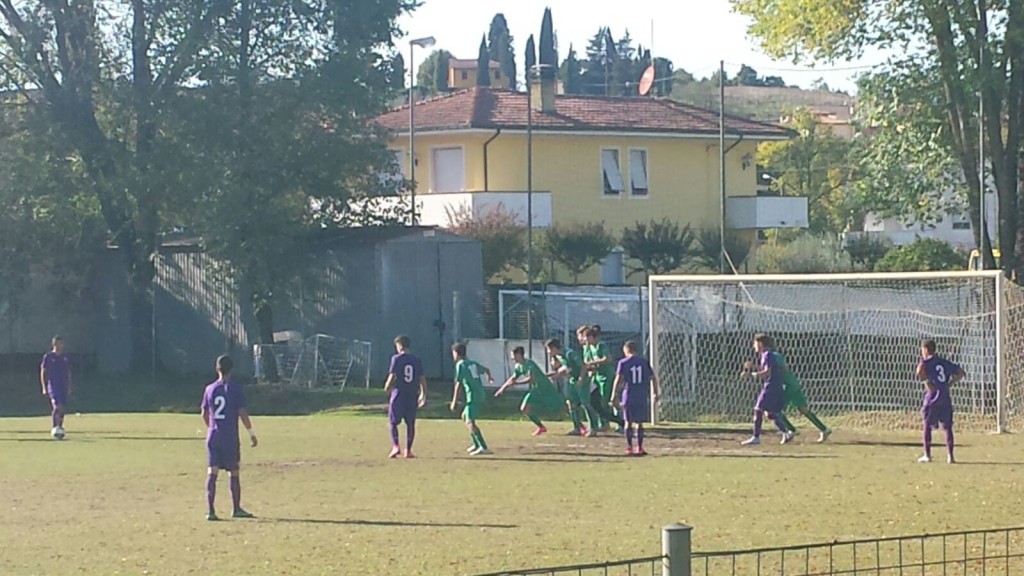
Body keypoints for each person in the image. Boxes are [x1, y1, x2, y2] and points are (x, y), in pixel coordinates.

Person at [200, 354, 257, 521]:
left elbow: (204, 413)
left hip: (213, 435)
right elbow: (242, 412)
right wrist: (251, 433)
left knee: (212, 471)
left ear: (217, 369)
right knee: (234, 472)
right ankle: (236, 508)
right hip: (229, 437)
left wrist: (211, 427)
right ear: (231, 370)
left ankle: (210, 511)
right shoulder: (234, 388)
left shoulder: (209, 389)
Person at [765, 336, 832, 443]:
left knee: (773, 411)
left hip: (787, 385)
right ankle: (824, 429)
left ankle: (791, 430)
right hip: (793, 384)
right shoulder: (772, 356)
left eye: (755, 343)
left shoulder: (773, 356)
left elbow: (783, 368)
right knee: (803, 409)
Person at [495, 346, 564, 436]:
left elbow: (532, 379)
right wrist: (502, 389)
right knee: (524, 408)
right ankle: (541, 427)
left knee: (562, 407)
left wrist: (517, 383)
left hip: (546, 389)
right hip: (536, 390)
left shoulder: (530, 364)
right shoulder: (518, 366)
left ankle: (579, 426)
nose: (512, 358)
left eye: (513, 355)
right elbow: (513, 378)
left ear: (519, 355)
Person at [916, 339, 964, 464]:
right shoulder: (944, 362)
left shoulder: (926, 361)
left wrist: (926, 382)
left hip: (932, 398)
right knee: (947, 427)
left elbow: (919, 371)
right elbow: (961, 373)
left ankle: (927, 454)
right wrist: (950, 384)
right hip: (945, 397)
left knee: (927, 425)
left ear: (926, 350)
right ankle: (950, 456)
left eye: (922, 350)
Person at [741, 334, 793, 446]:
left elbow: (767, 373)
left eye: (755, 343)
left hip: (771, 386)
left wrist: (751, 375)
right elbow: (767, 369)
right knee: (770, 413)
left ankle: (756, 437)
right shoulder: (766, 355)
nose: (753, 346)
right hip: (774, 386)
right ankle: (786, 432)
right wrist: (754, 367)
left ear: (760, 343)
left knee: (758, 409)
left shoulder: (767, 355)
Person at [611, 341, 660, 456]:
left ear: (626, 350)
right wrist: (656, 393)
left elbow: (618, 379)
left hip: (628, 394)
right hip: (641, 395)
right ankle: (640, 447)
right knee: (639, 423)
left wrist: (614, 394)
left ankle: (629, 447)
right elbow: (653, 378)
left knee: (628, 422)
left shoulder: (623, 363)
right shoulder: (644, 362)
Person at [383, 335, 426, 459]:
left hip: (399, 393)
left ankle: (396, 446)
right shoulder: (417, 360)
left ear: (400, 345)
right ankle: (408, 450)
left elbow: (393, 375)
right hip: (412, 394)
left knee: (392, 422)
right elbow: (422, 378)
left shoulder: (396, 359)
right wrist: (423, 393)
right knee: (410, 423)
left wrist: (387, 386)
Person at [450, 343, 493, 456]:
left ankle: (483, 447)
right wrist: (489, 377)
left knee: (469, 421)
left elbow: (458, 384)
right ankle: (476, 444)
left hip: (473, 396)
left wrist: (454, 401)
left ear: (456, 353)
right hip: (478, 393)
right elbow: (486, 370)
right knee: (465, 417)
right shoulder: (472, 363)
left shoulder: (460, 364)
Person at [545, 338, 594, 436]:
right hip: (572, 381)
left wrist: (581, 379)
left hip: (582, 381)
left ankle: (593, 428)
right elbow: (566, 368)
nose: (548, 352)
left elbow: (583, 366)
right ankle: (577, 427)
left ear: (554, 348)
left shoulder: (569, 353)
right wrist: (554, 376)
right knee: (571, 403)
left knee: (585, 404)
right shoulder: (560, 356)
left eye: (549, 349)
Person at [583, 327, 623, 432]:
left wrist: (592, 363)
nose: (586, 341)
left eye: (588, 338)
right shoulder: (589, 348)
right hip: (596, 377)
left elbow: (607, 359)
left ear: (594, 337)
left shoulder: (601, 345)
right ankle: (603, 423)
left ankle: (619, 423)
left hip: (606, 377)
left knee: (608, 401)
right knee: (596, 401)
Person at [40, 335, 71, 438]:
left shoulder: (64, 357)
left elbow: (68, 373)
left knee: (62, 408)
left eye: (61, 343)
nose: (60, 345)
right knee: (57, 406)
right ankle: (55, 427)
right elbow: (43, 372)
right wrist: (44, 386)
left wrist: (69, 386)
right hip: (53, 385)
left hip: (63, 385)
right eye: (58, 343)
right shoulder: (48, 357)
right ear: (54, 344)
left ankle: (60, 427)